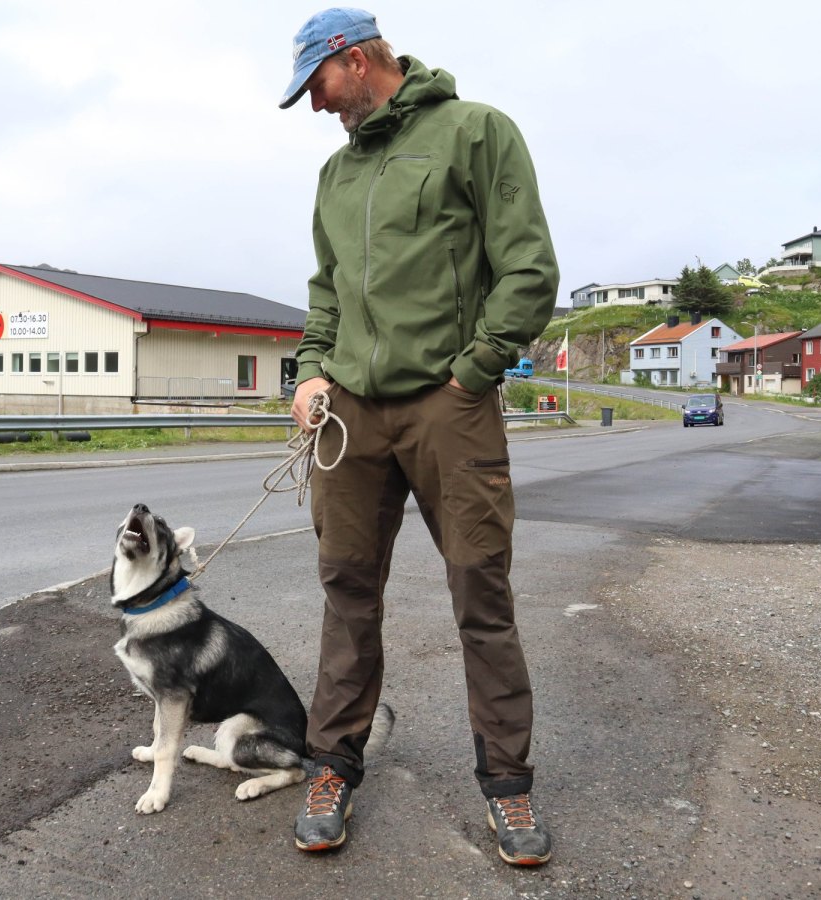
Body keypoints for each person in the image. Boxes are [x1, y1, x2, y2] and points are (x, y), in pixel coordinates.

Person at [279, 8, 560, 867]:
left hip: (449, 403)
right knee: (347, 591)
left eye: (318, 88)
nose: (318, 108)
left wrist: (476, 369)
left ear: (357, 61)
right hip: (352, 414)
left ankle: (508, 788)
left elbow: (528, 265)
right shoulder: (335, 173)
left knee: (481, 592)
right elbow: (326, 289)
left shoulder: (475, 132)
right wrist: (312, 370)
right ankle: (333, 766)